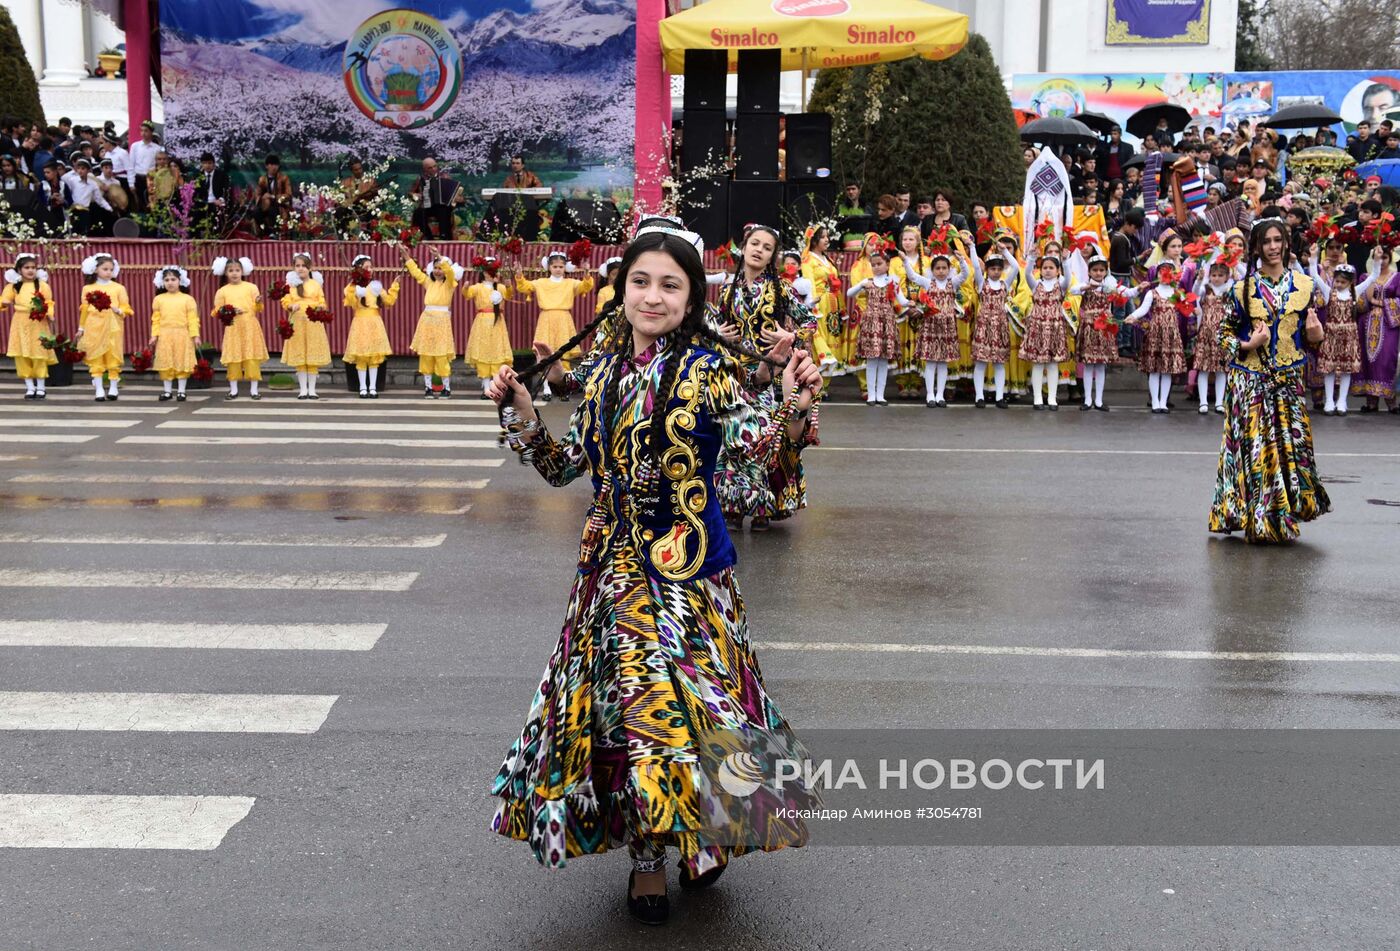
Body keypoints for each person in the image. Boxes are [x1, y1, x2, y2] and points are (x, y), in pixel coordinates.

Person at [487, 225, 822, 926]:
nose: (652, 295)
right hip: (611, 580)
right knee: (637, 715)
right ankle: (646, 858)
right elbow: (561, 467)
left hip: (693, 577)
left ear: (693, 295)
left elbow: (760, 453)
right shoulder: (604, 373)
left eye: (670, 284)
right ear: (622, 291)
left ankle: (707, 828)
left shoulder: (710, 370)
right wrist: (523, 414)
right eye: (641, 281)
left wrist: (792, 404)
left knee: (708, 710)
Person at [1209, 218, 1329, 543]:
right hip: (1251, 381)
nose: (1273, 247)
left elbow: (1312, 336)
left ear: (1286, 244)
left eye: (1278, 240)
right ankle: (1261, 521)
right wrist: (1247, 345)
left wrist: (1317, 335)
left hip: (1289, 381)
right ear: (1256, 247)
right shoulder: (1242, 289)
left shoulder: (1305, 286)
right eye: (1267, 242)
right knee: (1259, 452)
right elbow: (1222, 334)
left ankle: (1285, 515)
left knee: (1289, 449)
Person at [515, 252, 593, 401]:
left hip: (564, 319)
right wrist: (519, 275)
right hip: (546, 318)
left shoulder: (570, 283)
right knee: (545, 353)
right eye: (555, 266)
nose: (558, 269)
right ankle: (546, 388)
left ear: (565, 268)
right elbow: (525, 287)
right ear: (549, 267)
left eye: (561, 266)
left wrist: (587, 272)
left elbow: (586, 286)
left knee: (564, 354)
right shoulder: (541, 283)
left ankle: (564, 389)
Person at [1070, 251, 1137, 412]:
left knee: (1101, 365)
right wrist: (1087, 286)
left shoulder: (1109, 287)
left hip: (1104, 328)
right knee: (1088, 365)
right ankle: (1087, 399)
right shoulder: (1085, 286)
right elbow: (1073, 290)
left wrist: (1138, 288)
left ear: (1105, 272)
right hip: (1089, 328)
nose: (1098, 273)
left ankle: (1098, 400)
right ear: (1089, 271)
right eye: (1095, 270)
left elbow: (1127, 292)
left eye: (1101, 270)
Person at [1309, 256, 1375, 416]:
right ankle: (1329, 401)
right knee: (1329, 369)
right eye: (1337, 281)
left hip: (1349, 338)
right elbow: (1315, 277)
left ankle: (1342, 401)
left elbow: (1373, 277)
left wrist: (1377, 261)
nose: (1338, 284)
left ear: (1350, 282)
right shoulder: (1329, 292)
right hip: (1331, 337)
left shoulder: (1355, 292)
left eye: (1342, 282)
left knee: (1346, 370)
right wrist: (1313, 259)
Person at [402, 242, 462, 398]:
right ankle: (428, 387)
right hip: (427, 321)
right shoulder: (429, 282)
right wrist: (405, 255)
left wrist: (438, 256)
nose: (438, 270)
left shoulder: (450, 283)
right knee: (426, 354)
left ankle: (446, 388)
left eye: (440, 267)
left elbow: (449, 272)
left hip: (442, 321)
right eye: (435, 267)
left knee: (441, 355)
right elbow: (415, 271)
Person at [1128, 263, 1188, 414]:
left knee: (1167, 370)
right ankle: (1155, 401)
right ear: (1157, 275)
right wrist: (1133, 316)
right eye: (1161, 272)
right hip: (1155, 333)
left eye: (1168, 272)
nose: (1165, 275)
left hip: (1171, 334)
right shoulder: (1152, 293)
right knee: (1154, 370)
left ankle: (1163, 402)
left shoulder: (1177, 293)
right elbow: (1143, 309)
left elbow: (1187, 308)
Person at [852, 243, 908, 406]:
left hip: (886, 321)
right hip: (871, 322)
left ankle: (880, 395)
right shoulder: (868, 281)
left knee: (883, 360)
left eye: (879, 264)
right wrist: (861, 285)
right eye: (873, 264)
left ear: (887, 264)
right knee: (871, 359)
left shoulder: (893, 281)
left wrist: (909, 303)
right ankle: (871, 395)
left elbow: (901, 299)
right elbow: (850, 293)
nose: (876, 267)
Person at [343, 254, 401, 398]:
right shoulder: (353, 286)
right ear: (358, 269)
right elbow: (349, 301)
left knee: (374, 356)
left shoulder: (376, 286)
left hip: (375, 322)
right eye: (366, 267)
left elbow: (388, 301)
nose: (370, 269)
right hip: (360, 323)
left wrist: (394, 286)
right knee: (362, 356)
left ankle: (373, 387)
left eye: (371, 266)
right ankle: (363, 387)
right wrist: (355, 290)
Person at [277, 252, 332, 400]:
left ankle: (312, 390)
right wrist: (290, 306)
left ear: (309, 268)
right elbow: (285, 301)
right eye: (297, 266)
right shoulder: (291, 285)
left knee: (312, 355)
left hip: (313, 323)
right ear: (294, 268)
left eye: (303, 266)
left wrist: (320, 308)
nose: (300, 269)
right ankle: (302, 390)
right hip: (298, 323)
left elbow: (322, 301)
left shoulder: (315, 284)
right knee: (300, 355)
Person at [1019, 252, 1070, 410]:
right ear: (1040, 270)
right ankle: (1037, 398)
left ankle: (1052, 399)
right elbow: (1027, 273)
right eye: (1045, 268)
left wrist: (1065, 261)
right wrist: (1032, 259)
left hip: (1054, 328)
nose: (1048, 270)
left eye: (1051, 268)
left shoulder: (1060, 286)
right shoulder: (1036, 285)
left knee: (1053, 365)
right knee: (1038, 364)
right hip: (1037, 328)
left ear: (1057, 270)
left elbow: (1068, 278)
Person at [76, 254, 131, 401]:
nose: (108, 272)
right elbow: (85, 309)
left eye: (111, 269)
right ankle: (99, 389)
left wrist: (119, 310)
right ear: (95, 270)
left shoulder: (119, 288)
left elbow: (126, 307)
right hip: (94, 325)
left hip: (113, 325)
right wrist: (81, 328)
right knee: (96, 356)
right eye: (105, 269)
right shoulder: (88, 288)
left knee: (113, 355)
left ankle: (113, 387)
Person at [212, 256, 267, 401]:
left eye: (237, 270)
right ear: (225, 273)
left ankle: (254, 390)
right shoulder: (222, 291)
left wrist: (258, 302)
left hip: (250, 326)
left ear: (242, 271)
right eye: (231, 270)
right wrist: (229, 311)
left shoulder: (251, 287)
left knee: (251, 357)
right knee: (233, 358)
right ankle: (233, 390)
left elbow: (259, 308)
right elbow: (216, 311)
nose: (234, 273)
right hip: (233, 327)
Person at [2, 254, 56, 399]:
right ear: (19, 270)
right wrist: (4, 303)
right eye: (27, 268)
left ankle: (41, 387)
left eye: (33, 267)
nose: (30, 270)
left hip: (38, 322)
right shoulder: (13, 287)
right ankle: (30, 387)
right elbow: (4, 300)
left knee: (39, 353)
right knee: (22, 355)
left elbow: (49, 302)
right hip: (20, 322)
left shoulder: (43, 285)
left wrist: (49, 314)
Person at [463, 255, 513, 398]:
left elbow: (509, 295)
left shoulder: (501, 287)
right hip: (482, 322)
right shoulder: (478, 287)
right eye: (488, 271)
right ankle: (486, 387)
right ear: (483, 272)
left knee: (497, 353)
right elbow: (467, 294)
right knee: (484, 353)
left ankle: (496, 386)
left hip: (497, 323)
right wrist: (465, 288)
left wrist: (509, 286)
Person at [149, 266, 200, 402]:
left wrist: (195, 336)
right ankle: (167, 391)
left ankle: (181, 391)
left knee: (181, 362)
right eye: (167, 280)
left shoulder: (187, 299)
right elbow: (156, 319)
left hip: (183, 334)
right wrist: (154, 335)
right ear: (162, 282)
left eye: (173, 279)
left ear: (180, 281)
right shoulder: (159, 299)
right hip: (165, 335)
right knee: (166, 362)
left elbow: (192, 319)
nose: (170, 282)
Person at [1191, 260, 1234, 415]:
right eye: (1214, 275)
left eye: (1220, 275)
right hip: (1206, 333)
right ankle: (1203, 402)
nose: (1216, 278)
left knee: (1221, 369)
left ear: (1227, 276)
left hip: (1222, 333)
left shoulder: (1229, 289)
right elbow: (1194, 293)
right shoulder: (1206, 288)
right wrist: (1199, 279)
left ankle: (1219, 402)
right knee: (1203, 368)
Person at [409, 157, 461, 240]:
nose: (433, 169)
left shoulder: (445, 177)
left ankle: (444, 236)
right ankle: (428, 236)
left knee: (444, 210)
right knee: (418, 213)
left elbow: (455, 192)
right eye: (430, 168)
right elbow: (411, 193)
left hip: (442, 207)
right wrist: (416, 195)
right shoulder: (420, 179)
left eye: (435, 166)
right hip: (427, 206)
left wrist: (457, 197)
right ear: (425, 169)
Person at [65, 158, 112, 235]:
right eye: (78, 168)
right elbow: (67, 194)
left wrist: (109, 208)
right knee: (73, 233)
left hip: (85, 211)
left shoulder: (92, 184)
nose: (80, 171)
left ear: (88, 170)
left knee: (84, 233)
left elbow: (99, 199)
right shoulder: (72, 181)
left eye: (83, 169)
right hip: (73, 210)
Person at [254, 155, 293, 238]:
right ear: (266, 166)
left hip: (279, 205)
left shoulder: (284, 178)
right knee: (256, 212)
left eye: (276, 165)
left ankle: (273, 233)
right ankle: (265, 232)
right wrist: (262, 198)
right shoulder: (262, 179)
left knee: (273, 210)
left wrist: (273, 197)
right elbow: (257, 194)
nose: (274, 167)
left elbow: (288, 195)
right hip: (265, 204)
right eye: (271, 164)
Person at [191, 152, 230, 233]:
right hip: (203, 203)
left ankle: (217, 235)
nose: (207, 165)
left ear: (214, 164)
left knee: (218, 213)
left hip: (217, 202)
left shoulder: (222, 175)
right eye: (204, 163)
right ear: (201, 164)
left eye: (209, 163)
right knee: (194, 215)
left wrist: (220, 199)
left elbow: (226, 190)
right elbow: (195, 193)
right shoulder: (198, 176)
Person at [128, 120, 160, 211]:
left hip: (151, 179)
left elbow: (158, 167)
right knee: (139, 205)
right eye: (142, 131)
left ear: (151, 132)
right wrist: (131, 183)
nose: (143, 133)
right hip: (138, 178)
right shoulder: (135, 146)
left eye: (146, 131)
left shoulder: (156, 148)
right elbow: (131, 166)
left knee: (151, 205)